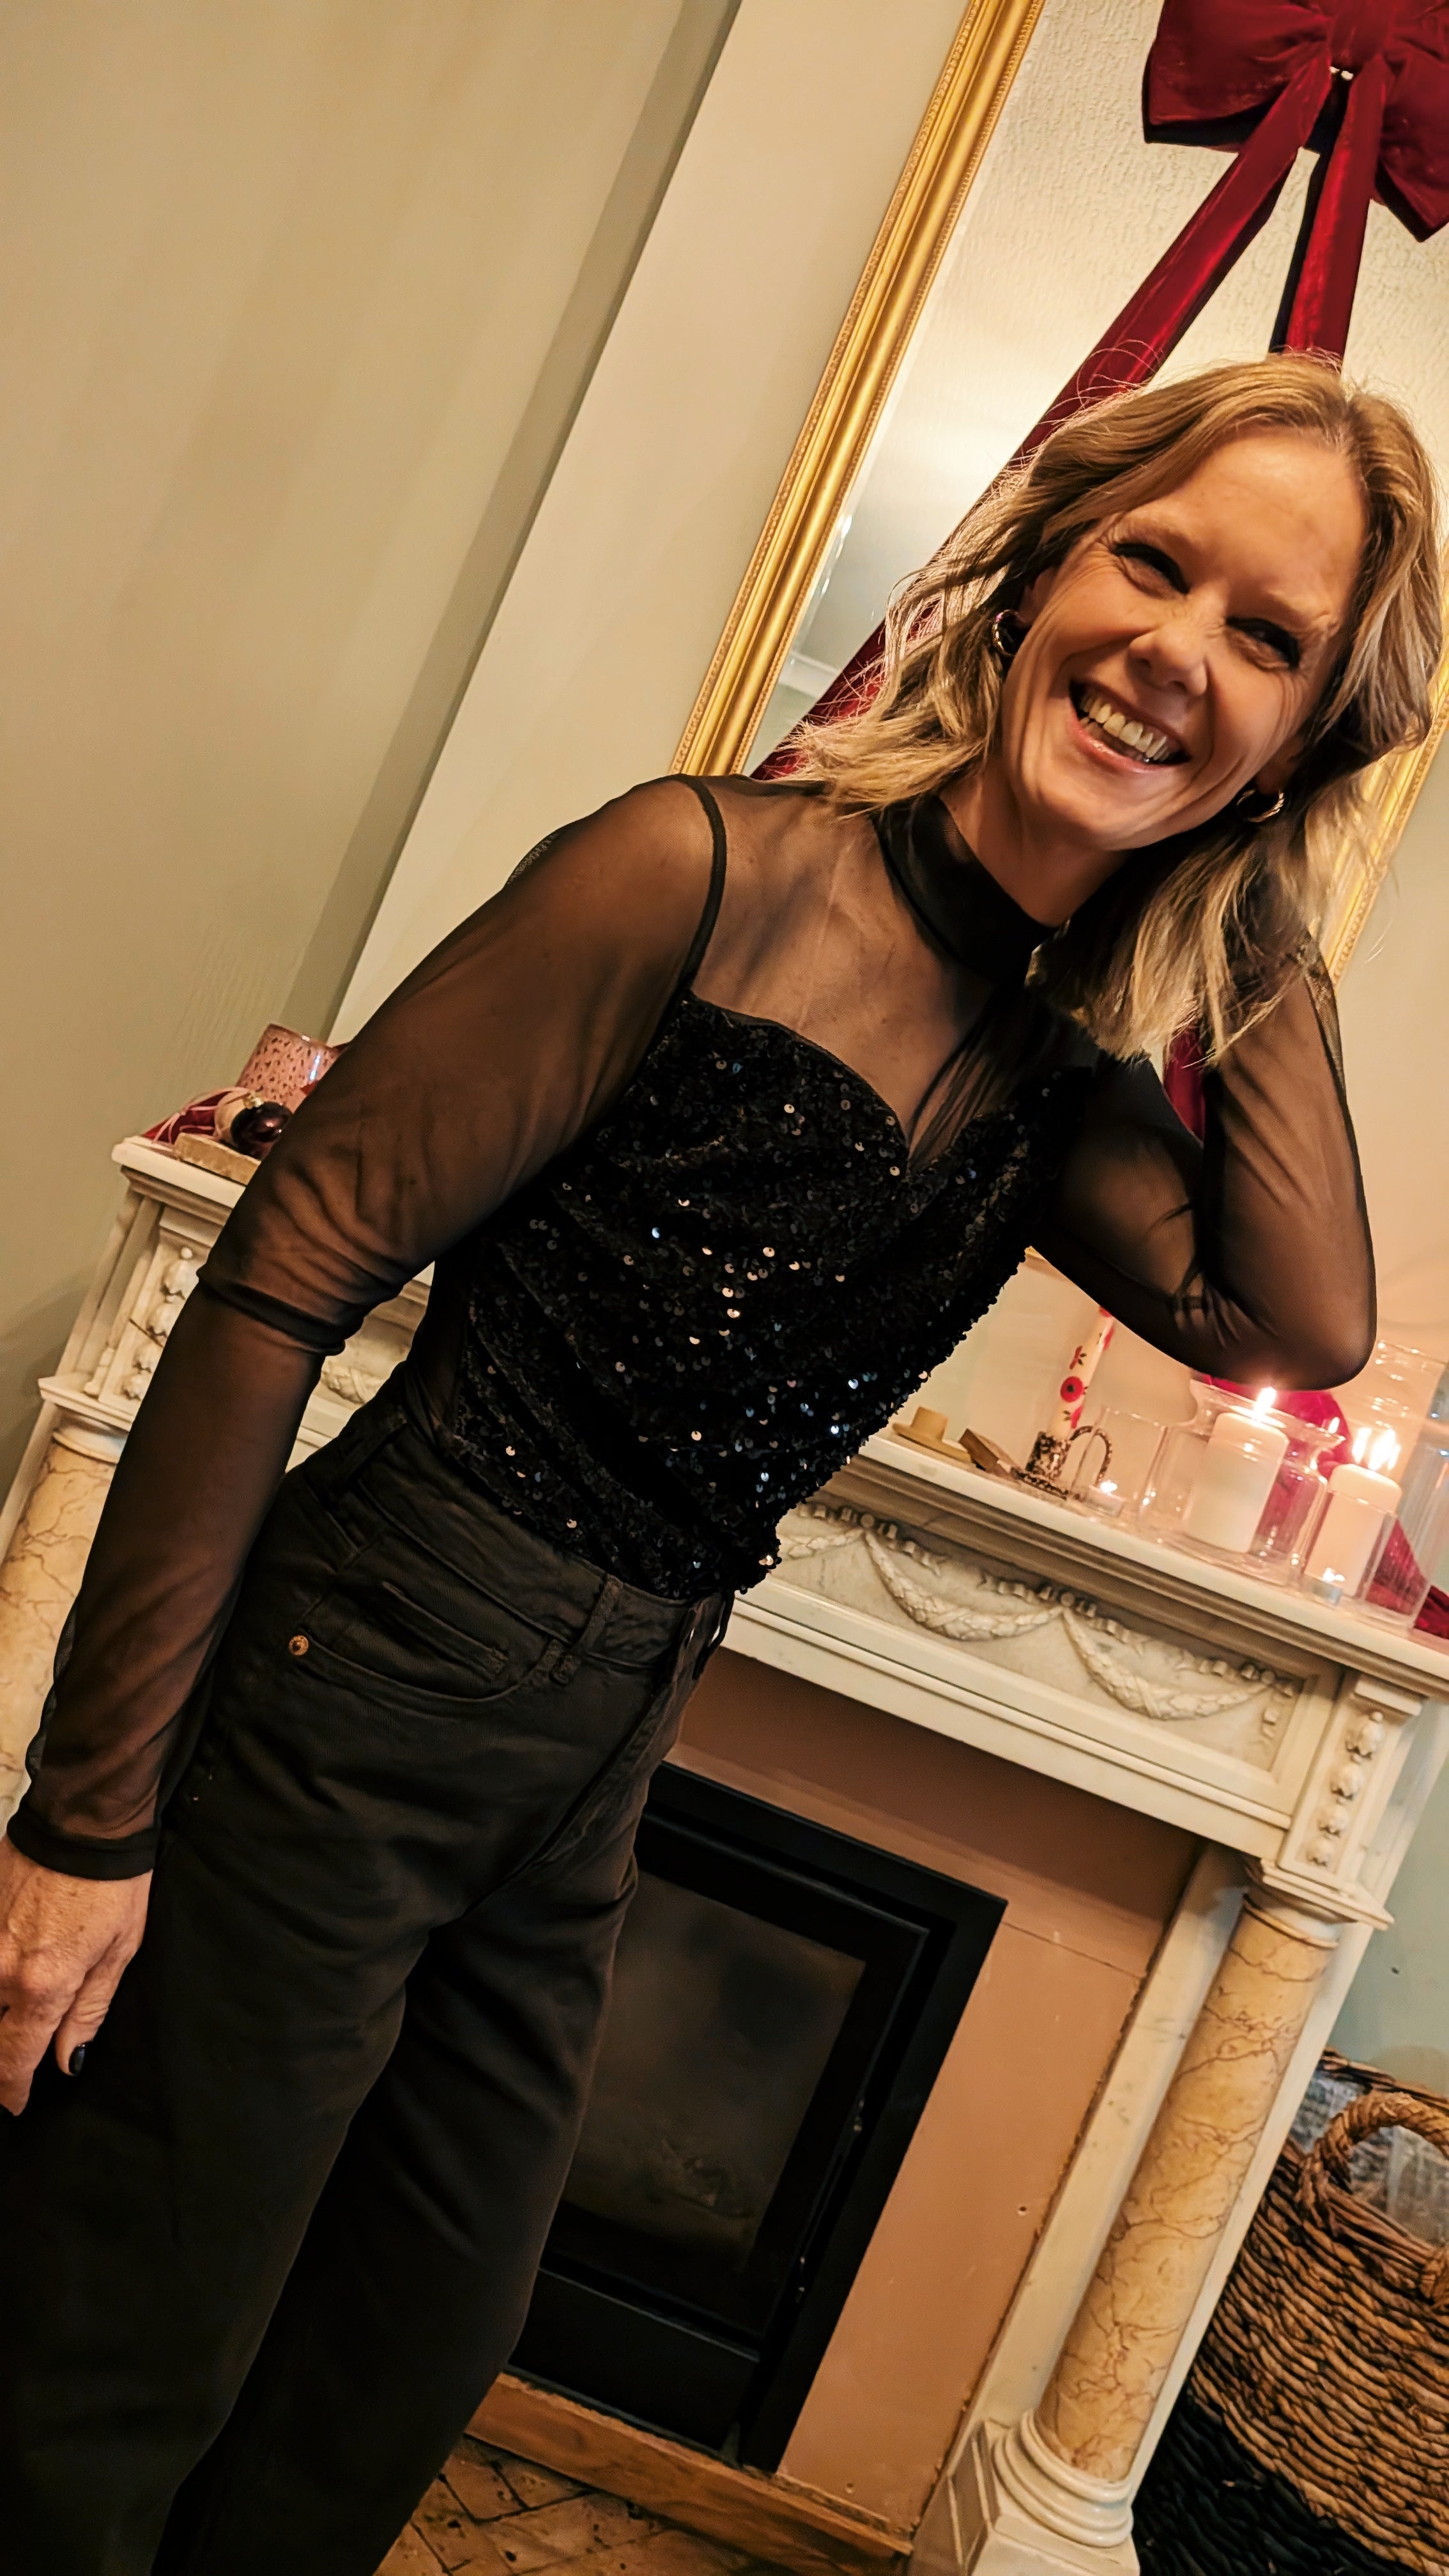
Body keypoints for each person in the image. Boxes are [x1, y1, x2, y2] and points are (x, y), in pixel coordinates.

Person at [0, 355, 1439, 2573]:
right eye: (1153, 564)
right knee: (122, 2356)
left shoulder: (1055, 1079)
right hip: (355, 1672)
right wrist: (85, 1820)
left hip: (592, 1758)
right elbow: (283, 1272)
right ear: (1042, 566)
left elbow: (1295, 1321)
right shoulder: (688, 872)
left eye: (1267, 641)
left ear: (1305, 738)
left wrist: (1265, 859)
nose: (1178, 648)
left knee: (399, 2356)